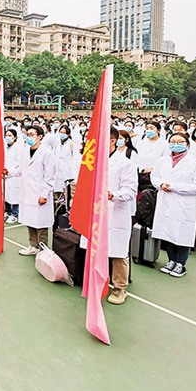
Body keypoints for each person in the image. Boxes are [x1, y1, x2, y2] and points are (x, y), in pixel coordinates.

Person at [80, 127, 138, 304]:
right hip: (95, 212)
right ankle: (97, 280)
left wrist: (113, 195)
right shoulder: (91, 161)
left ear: (112, 140)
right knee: (95, 248)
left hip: (115, 212)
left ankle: (120, 288)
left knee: (118, 252)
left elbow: (131, 191)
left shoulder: (125, 163)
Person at [150, 132, 196, 277]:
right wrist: (161, 184)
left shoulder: (195, 164)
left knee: (182, 234)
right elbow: (154, 176)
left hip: (184, 204)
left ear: (187, 144)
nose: (176, 144)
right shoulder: (162, 161)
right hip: (166, 201)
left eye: (180, 141)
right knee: (167, 232)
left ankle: (181, 263)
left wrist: (175, 187)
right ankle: (171, 260)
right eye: (173, 141)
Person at [7, 124, 56, 255]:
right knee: (30, 220)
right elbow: (20, 169)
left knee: (41, 223)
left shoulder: (47, 153)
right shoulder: (25, 151)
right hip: (27, 192)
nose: (29, 137)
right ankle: (33, 246)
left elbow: (50, 177)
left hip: (40, 192)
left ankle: (43, 249)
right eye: (27, 135)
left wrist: (44, 194)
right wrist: (8, 172)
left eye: (32, 135)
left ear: (40, 137)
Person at [136, 121, 170, 188]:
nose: (149, 130)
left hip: (156, 175)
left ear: (158, 130)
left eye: (151, 128)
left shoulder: (164, 144)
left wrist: (153, 169)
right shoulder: (141, 143)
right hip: (141, 175)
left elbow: (166, 161)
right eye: (147, 128)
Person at [3, 129, 23, 223]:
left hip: (14, 176)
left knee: (14, 196)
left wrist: (10, 172)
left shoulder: (18, 148)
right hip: (5, 175)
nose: (8, 137)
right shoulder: (5, 147)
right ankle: (7, 212)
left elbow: (19, 164)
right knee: (6, 196)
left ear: (15, 137)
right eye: (6, 135)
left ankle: (15, 213)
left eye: (10, 135)